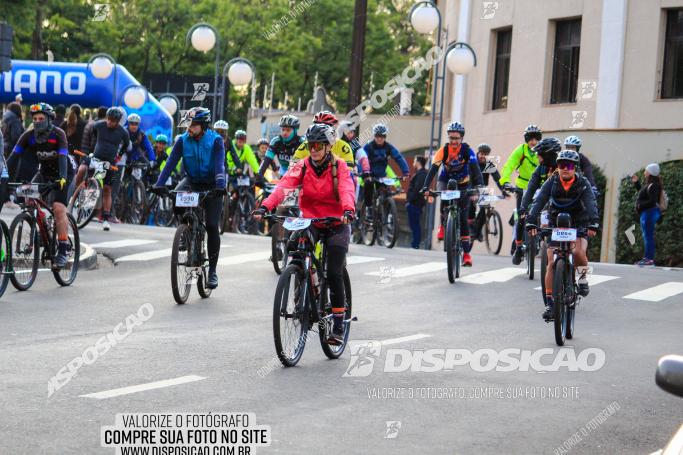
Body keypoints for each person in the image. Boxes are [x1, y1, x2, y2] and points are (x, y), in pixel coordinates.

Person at [254, 123, 355, 345]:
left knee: (335, 271)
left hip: (337, 221)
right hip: (310, 219)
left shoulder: (340, 167)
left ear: (328, 146)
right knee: (294, 248)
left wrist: (348, 210)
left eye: (318, 145)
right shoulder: (303, 166)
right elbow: (284, 186)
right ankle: (304, 286)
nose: (314, 149)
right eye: (310, 145)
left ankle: (338, 324)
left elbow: (347, 190)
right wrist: (266, 206)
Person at [153, 107, 226, 289]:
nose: (189, 128)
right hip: (192, 181)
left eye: (193, 125)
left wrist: (220, 186)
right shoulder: (182, 141)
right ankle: (187, 232)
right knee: (176, 200)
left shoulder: (216, 140)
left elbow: (219, 165)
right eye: (188, 124)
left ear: (203, 125)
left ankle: (213, 271)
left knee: (211, 225)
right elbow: (171, 163)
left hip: (212, 185)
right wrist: (159, 184)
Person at [527, 150, 599, 320]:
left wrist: (594, 222)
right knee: (551, 262)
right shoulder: (552, 181)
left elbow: (591, 202)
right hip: (556, 223)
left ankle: (582, 279)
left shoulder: (583, 183)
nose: (565, 169)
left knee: (578, 252)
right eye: (561, 165)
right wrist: (531, 220)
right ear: (557, 167)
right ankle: (551, 304)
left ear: (575, 168)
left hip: (578, 223)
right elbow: (539, 201)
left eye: (569, 165)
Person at [6, 103, 73, 268]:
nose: (37, 121)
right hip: (44, 173)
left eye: (41, 118)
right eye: (34, 119)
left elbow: (63, 157)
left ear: (49, 119)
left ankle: (63, 250)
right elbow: (13, 158)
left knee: (58, 208)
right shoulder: (28, 135)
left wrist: (62, 178)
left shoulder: (59, 134)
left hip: (64, 174)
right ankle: (45, 234)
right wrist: (3, 176)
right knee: (29, 199)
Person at [420, 121, 483, 266]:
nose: (454, 141)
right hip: (445, 180)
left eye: (456, 138)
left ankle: (467, 255)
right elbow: (433, 170)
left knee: (463, 218)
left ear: (461, 138)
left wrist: (478, 186)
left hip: (463, 183)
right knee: (443, 195)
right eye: (451, 138)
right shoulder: (443, 151)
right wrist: (425, 187)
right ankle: (443, 226)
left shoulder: (468, 151)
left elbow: (475, 169)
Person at [75, 107, 130, 231]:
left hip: (110, 162)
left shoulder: (123, 132)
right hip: (96, 158)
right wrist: (91, 150)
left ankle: (105, 218)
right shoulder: (98, 125)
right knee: (91, 180)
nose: (109, 122)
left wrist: (119, 155)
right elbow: (93, 135)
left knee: (107, 189)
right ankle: (83, 204)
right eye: (108, 119)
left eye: (113, 121)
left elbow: (126, 145)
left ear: (118, 121)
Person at [500, 124, 542, 264]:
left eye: (536, 139)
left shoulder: (542, 150)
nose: (533, 142)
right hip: (522, 187)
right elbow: (509, 165)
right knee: (521, 216)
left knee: (545, 214)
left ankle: (544, 239)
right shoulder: (521, 151)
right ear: (526, 139)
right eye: (530, 139)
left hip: (540, 187)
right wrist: (505, 181)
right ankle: (518, 247)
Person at [361, 123, 409, 218]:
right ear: (374, 136)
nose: (380, 138)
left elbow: (398, 157)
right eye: (377, 136)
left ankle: (386, 216)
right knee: (369, 184)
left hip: (382, 176)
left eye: (382, 136)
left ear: (385, 136)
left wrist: (405, 172)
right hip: (369, 174)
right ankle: (368, 208)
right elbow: (362, 159)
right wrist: (364, 172)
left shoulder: (388, 147)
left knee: (387, 193)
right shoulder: (368, 147)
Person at [468, 143, 509, 241]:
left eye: (485, 154)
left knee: (485, 207)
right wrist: (471, 192)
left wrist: (503, 190)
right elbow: (468, 178)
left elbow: (497, 178)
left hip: (482, 188)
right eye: (481, 154)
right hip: (471, 186)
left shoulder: (488, 164)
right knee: (471, 204)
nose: (483, 156)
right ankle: (470, 226)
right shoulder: (473, 162)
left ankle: (477, 230)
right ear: (478, 153)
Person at [520, 138, 561, 223]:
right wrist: (523, 207)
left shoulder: (564, 167)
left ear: (547, 155)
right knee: (522, 220)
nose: (537, 155)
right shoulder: (541, 167)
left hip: (563, 205)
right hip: (544, 201)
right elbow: (531, 187)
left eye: (539, 153)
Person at [631, 163, 663, 266]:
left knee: (648, 236)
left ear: (650, 172)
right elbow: (643, 193)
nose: (644, 172)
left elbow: (652, 201)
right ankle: (647, 258)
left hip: (649, 213)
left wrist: (640, 205)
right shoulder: (651, 184)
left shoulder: (653, 185)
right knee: (647, 235)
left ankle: (649, 259)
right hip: (648, 213)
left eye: (646, 170)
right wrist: (636, 183)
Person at [256, 114, 303, 184]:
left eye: (288, 130)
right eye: (283, 129)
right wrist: (259, 176)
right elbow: (267, 161)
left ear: (295, 131)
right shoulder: (276, 141)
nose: (284, 133)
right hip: (283, 172)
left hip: (300, 173)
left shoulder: (302, 142)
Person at [406, 156, 428, 249]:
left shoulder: (422, 174)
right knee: (414, 224)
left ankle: (415, 243)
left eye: (414, 161)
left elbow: (417, 189)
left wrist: (410, 201)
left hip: (415, 203)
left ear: (418, 162)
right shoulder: (420, 174)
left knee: (415, 224)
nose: (413, 163)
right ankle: (415, 242)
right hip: (415, 203)